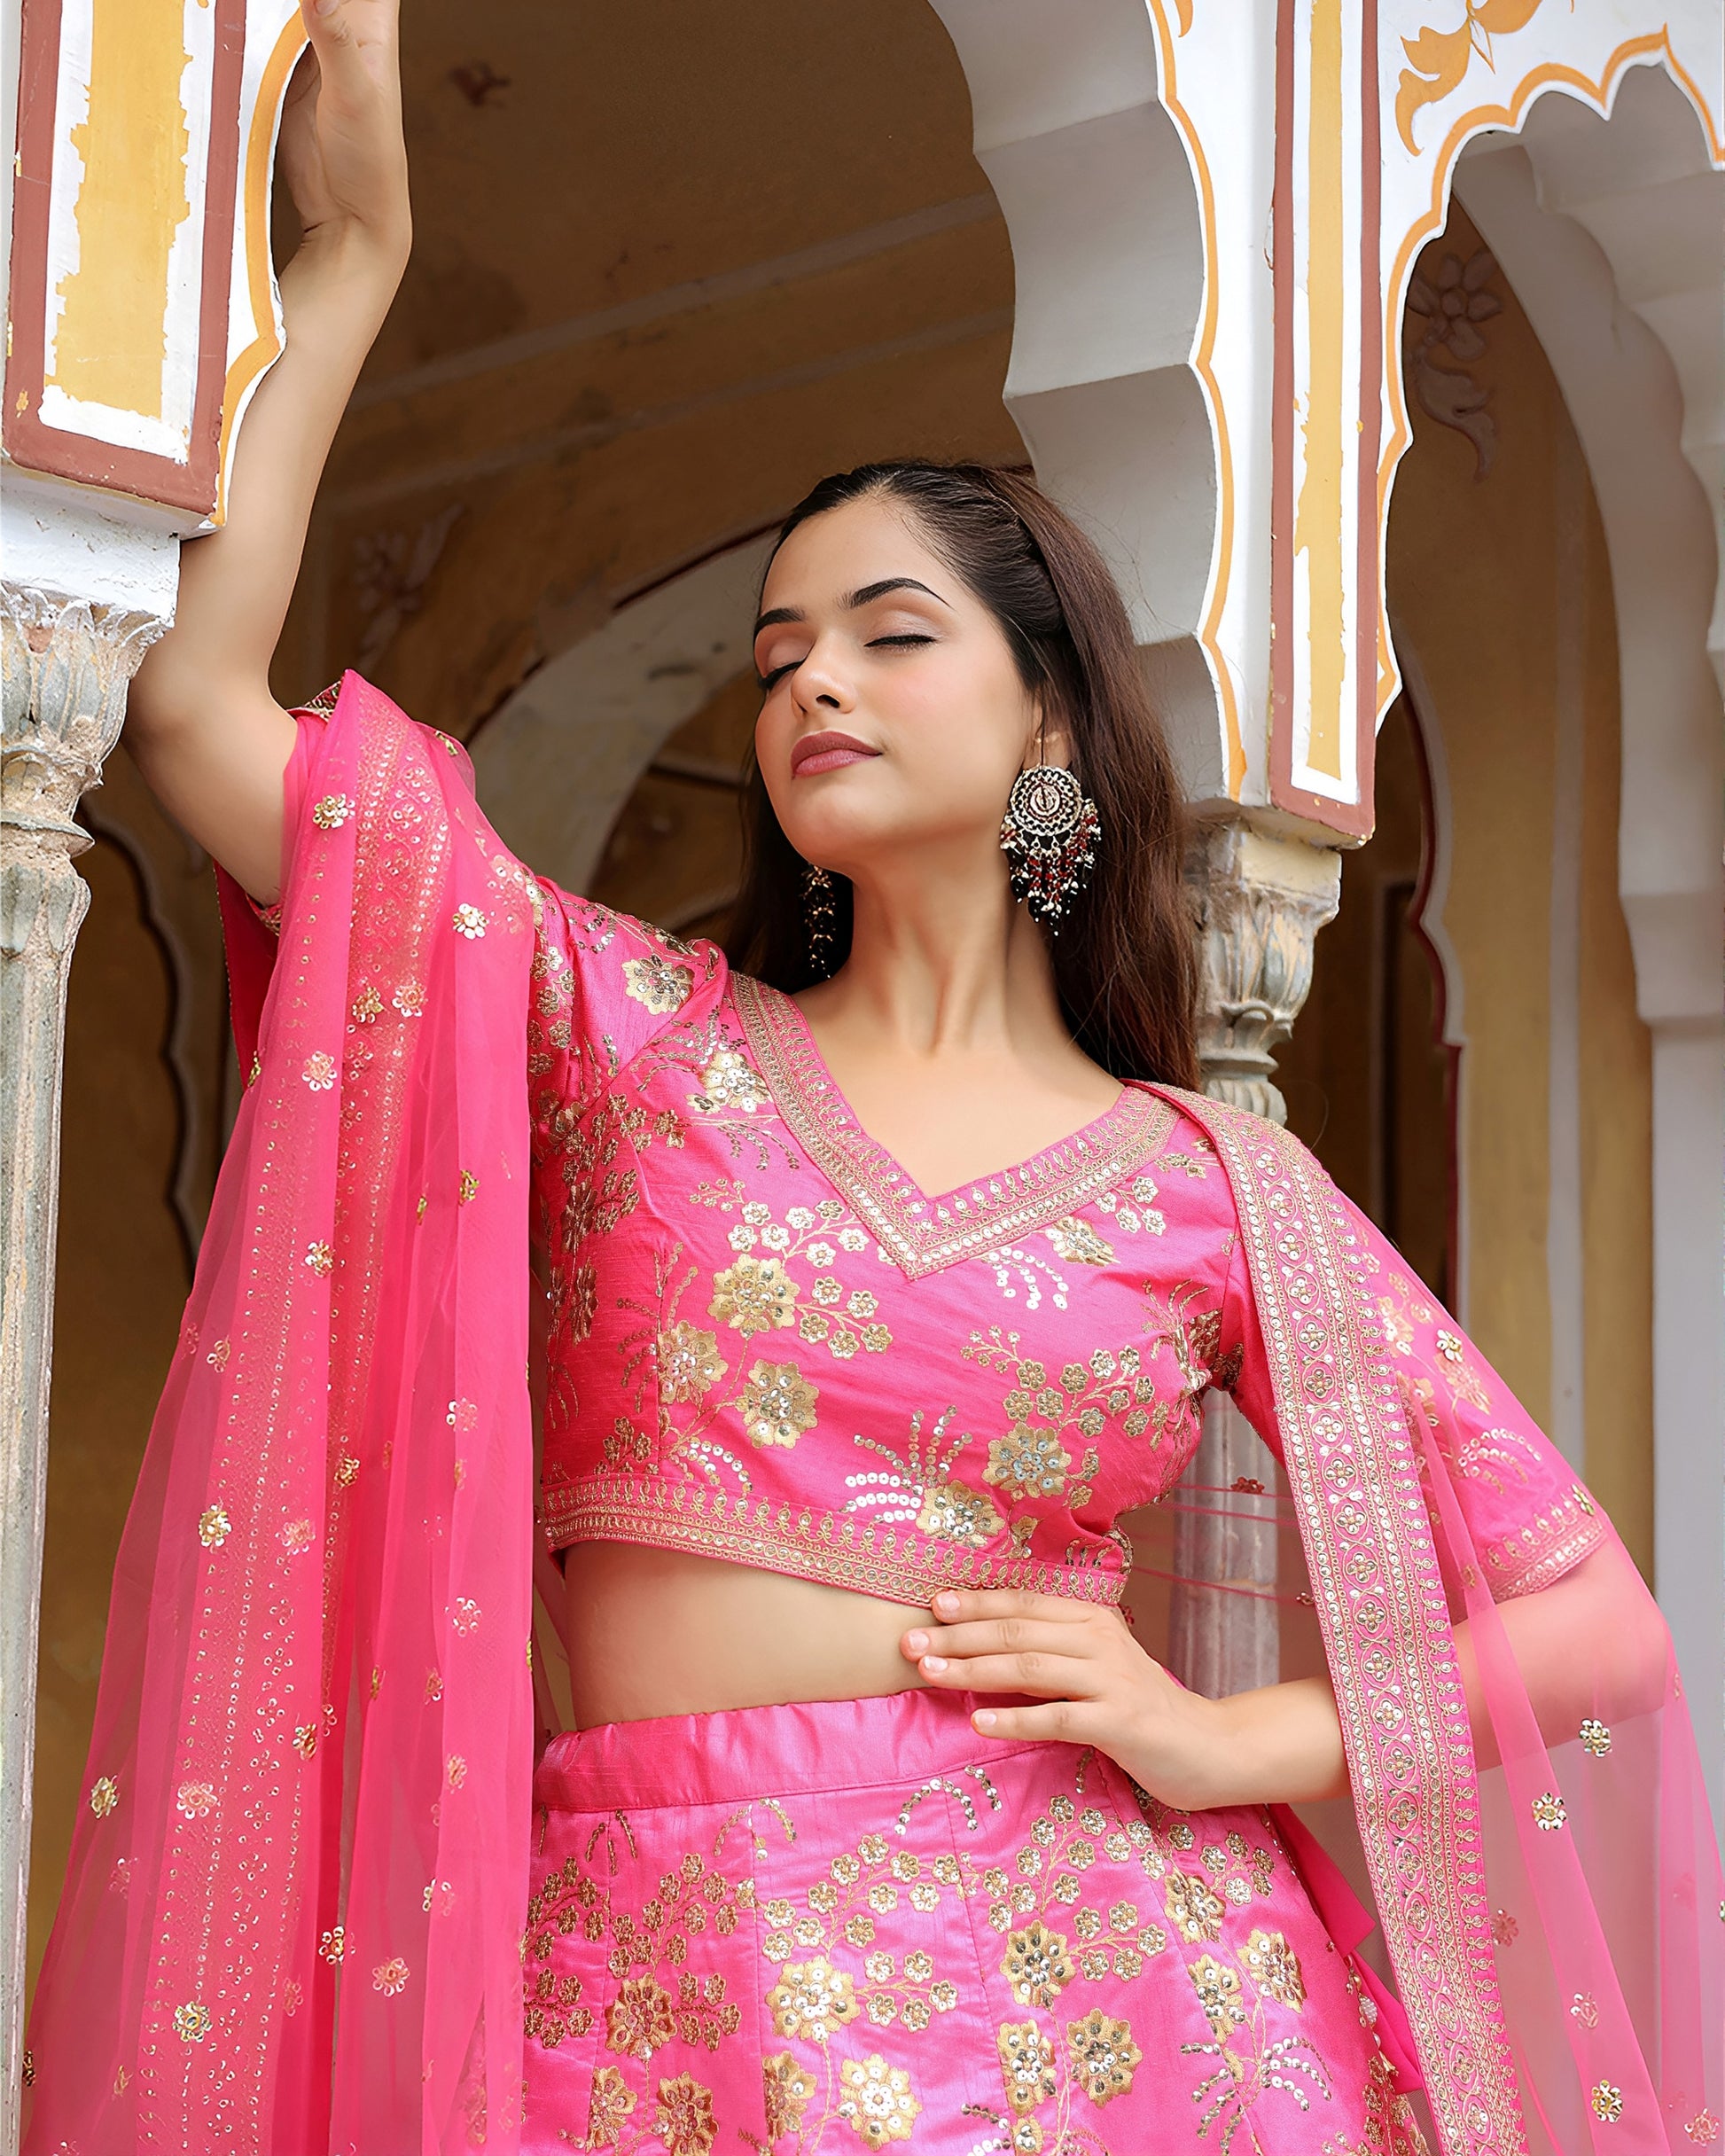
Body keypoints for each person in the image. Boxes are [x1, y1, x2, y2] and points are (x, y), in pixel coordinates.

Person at [23, 4, 1721, 2152]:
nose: (811, 672)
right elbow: (190, 712)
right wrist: (350, 263)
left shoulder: (1203, 1188)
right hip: (647, 1997)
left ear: (1045, 733)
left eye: (888, 631)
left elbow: (1598, 1626)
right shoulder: (623, 1033)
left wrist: (1228, 1737)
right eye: (773, 653)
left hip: (1121, 2024)